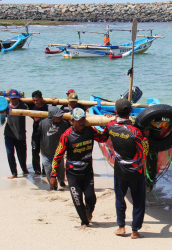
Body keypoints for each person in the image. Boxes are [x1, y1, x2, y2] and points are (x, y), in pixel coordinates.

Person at [50, 108, 108, 228]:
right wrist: (53, 175)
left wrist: (107, 124)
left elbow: (103, 138)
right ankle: (84, 222)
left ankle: (88, 212)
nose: (82, 123)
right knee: (77, 199)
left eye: (83, 119)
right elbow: (57, 156)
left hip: (87, 171)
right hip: (72, 174)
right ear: (72, 121)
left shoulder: (90, 131)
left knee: (90, 197)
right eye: (79, 120)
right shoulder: (66, 136)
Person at [102, 98, 149, 239]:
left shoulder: (111, 125)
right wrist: (146, 138)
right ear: (130, 111)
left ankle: (121, 227)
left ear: (116, 111)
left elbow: (103, 137)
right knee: (139, 201)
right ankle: (135, 231)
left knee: (119, 198)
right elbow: (144, 153)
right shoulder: (136, 132)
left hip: (120, 169)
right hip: (135, 171)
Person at [38, 106, 69, 189]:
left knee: (61, 169)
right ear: (51, 116)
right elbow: (37, 136)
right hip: (45, 151)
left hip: (58, 152)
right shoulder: (42, 123)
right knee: (48, 170)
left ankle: (61, 182)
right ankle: (52, 186)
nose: (59, 118)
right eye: (57, 116)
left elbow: (67, 136)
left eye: (60, 116)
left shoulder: (63, 124)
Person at [4, 89, 29, 179]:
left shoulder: (23, 106)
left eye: (15, 98)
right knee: (10, 153)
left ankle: (24, 168)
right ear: (9, 99)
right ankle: (14, 173)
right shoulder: (6, 107)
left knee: (22, 155)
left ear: (18, 98)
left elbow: (36, 106)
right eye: (12, 98)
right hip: (9, 134)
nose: (14, 100)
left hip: (20, 134)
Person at [31, 90, 49, 176]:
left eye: (36, 100)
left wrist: (53, 101)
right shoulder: (32, 107)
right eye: (33, 100)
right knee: (35, 150)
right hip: (36, 131)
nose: (35, 102)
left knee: (45, 151)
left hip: (46, 132)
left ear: (41, 99)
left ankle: (44, 170)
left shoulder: (47, 107)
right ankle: (37, 171)